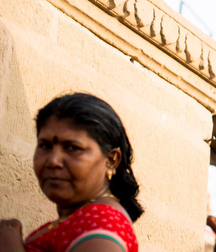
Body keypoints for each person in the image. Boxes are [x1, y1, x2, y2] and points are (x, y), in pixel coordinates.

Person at [0, 93, 142, 252]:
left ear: (111, 160)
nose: (53, 160)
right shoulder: (75, 221)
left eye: (73, 148)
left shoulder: (101, 226)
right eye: (45, 145)